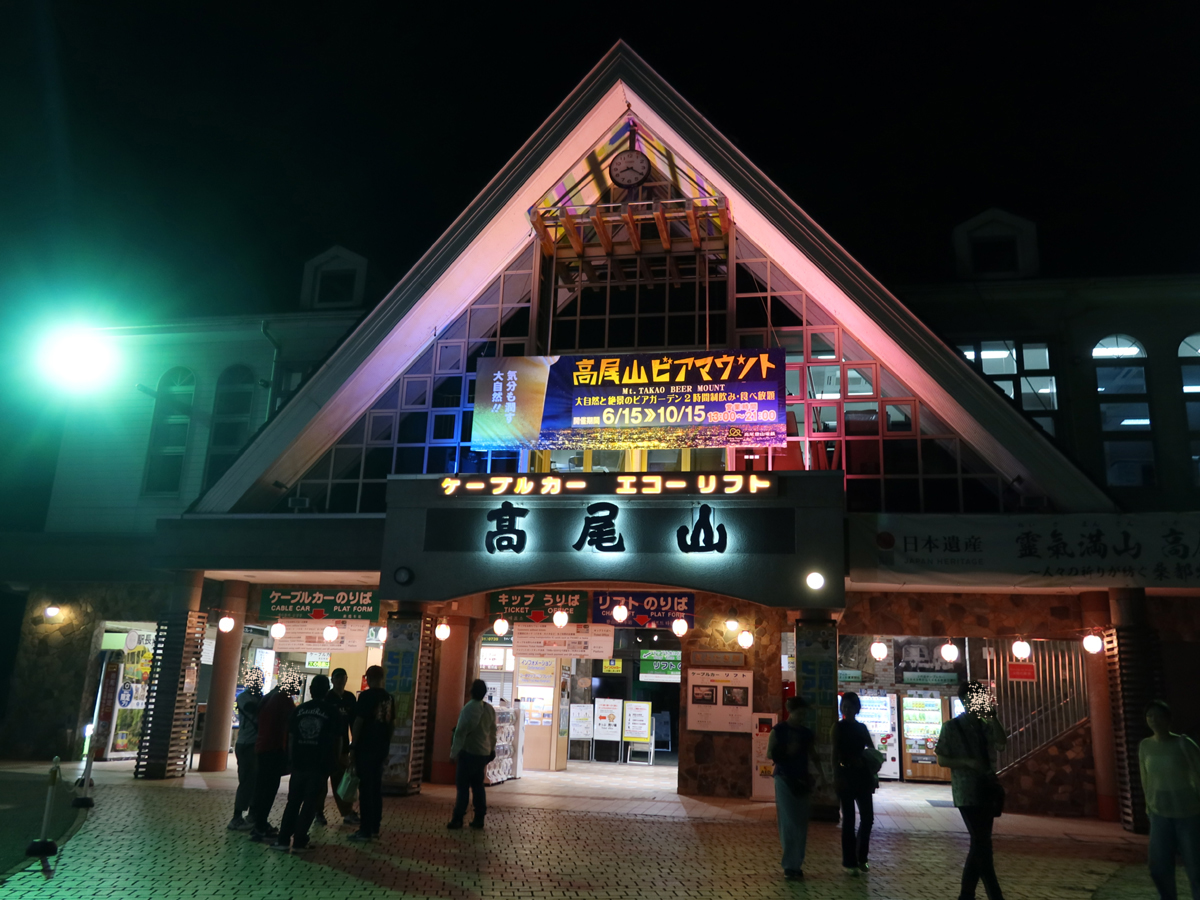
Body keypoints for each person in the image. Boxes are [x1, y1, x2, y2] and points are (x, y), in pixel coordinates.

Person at [936, 680, 1009, 900]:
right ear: (966, 700)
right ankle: (994, 894)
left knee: (981, 842)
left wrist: (993, 716)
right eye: (976, 697)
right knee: (982, 842)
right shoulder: (951, 727)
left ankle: (966, 895)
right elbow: (941, 758)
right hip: (967, 791)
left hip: (986, 791)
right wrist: (967, 763)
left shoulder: (986, 726)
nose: (979, 701)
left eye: (982, 697)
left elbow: (1001, 743)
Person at [270, 675, 341, 853]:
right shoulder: (332, 712)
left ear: (310, 690)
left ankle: (283, 840)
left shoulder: (299, 710)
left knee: (293, 802)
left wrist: (291, 758)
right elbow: (337, 740)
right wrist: (336, 760)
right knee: (310, 802)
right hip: (320, 763)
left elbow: (291, 737)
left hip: (299, 763)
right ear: (327, 691)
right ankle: (300, 840)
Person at [1140, 699, 1200, 900]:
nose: (1153, 720)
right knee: (1158, 867)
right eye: (1150, 716)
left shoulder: (1183, 743)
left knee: (1195, 868)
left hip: (1188, 813)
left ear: (1168, 719)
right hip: (1159, 814)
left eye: (1158, 716)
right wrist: (1149, 806)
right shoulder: (1146, 745)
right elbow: (1145, 778)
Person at [767, 696, 814, 881]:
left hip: (801, 779)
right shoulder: (779, 731)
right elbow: (770, 753)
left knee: (800, 823)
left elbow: (813, 754)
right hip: (784, 778)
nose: (803, 716)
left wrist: (823, 777)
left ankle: (796, 864)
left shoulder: (806, 733)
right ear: (791, 711)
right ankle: (790, 865)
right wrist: (788, 751)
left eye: (804, 713)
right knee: (790, 822)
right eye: (800, 712)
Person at [248, 673, 299, 842]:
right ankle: (260, 827)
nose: (295, 692)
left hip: (262, 747)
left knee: (261, 787)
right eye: (295, 688)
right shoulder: (284, 698)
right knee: (269, 789)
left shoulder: (269, 696)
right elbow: (292, 724)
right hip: (274, 748)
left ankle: (258, 823)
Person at [348, 665, 394, 842]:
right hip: (381, 748)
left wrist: (353, 745)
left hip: (365, 748)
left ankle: (365, 829)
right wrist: (386, 745)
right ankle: (375, 827)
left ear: (367, 678)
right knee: (376, 788)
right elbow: (391, 725)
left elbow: (359, 722)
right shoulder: (389, 698)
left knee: (365, 789)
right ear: (383, 677)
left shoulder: (366, 696)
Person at [833, 691, 876, 876]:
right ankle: (850, 861)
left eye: (850, 706)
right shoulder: (838, 727)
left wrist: (867, 763)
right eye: (844, 706)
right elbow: (834, 753)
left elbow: (872, 750)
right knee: (849, 819)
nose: (846, 709)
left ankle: (862, 857)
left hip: (862, 776)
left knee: (868, 818)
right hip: (846, 775)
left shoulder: (862, 728)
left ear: (857, 708)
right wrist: (835, 776)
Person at [447, 679, 497, 830]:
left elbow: (461, 732)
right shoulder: (489, 709)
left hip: (468, 752)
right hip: (483, 753)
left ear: (471, 691)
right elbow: (493, 732)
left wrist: (453, 752)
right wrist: (492, 749)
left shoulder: (468, 708)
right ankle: (479, 817)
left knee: (463, 787)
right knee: (478, 786)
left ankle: (458, 818)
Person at [323, 668, 360, 827]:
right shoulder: (327, 698)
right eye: (337, 678)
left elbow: (354, 723)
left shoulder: (350, 698)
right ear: (332, 680)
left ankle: (347, 812)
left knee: (343, 781)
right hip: (325, 747)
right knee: (321, 782)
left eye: (342, 678)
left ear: (346, 679)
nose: (340, 681)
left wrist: (354, 745)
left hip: (343, 746)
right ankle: (318, 812)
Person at [227, 668, 263, 831]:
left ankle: (252, 815)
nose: (259, 682)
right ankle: (236, 817)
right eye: (256, 679)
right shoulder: (244, 697)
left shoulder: (261, 697)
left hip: (256, 744)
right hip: (246, 744)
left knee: (256, 782)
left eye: (260, 679)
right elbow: (251, 709)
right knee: (247, 781)